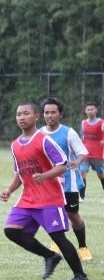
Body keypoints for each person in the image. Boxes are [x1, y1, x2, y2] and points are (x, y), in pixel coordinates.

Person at [1, 102, 88, 280]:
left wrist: (45, 176)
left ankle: (80, 276)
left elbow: (63, 165)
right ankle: (50, 256)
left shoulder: (44, 140)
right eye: (18, 114)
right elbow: (20, 173)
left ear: (35, 117)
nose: (22, 117)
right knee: (11, 230)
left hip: (50, 198)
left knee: (57, 237)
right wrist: (9, 190)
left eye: (26, 113)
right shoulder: (15, 145)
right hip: (28, 198)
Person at [40, 97, 91, 260]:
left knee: (72, 215)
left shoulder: (68, 132)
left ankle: (83, 247)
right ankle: (58, 242)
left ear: (60, 114)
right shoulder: (39, 133)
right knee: (53, 213)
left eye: (53, 112)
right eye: (46, 112)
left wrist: (76, 163)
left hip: (69, 183)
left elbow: (82, 152)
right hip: (49, 182)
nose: (50, 115)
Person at [79, 102, 104, 198]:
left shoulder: (101, 122)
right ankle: (82, 197)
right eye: (88, 109)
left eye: (92, 109)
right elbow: (82, 136)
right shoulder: (83, 123)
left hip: (98, 154)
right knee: (82, 173)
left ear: (96, 110)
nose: (90, 111)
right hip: (85, 153)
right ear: (85, 111)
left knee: (101, 175)